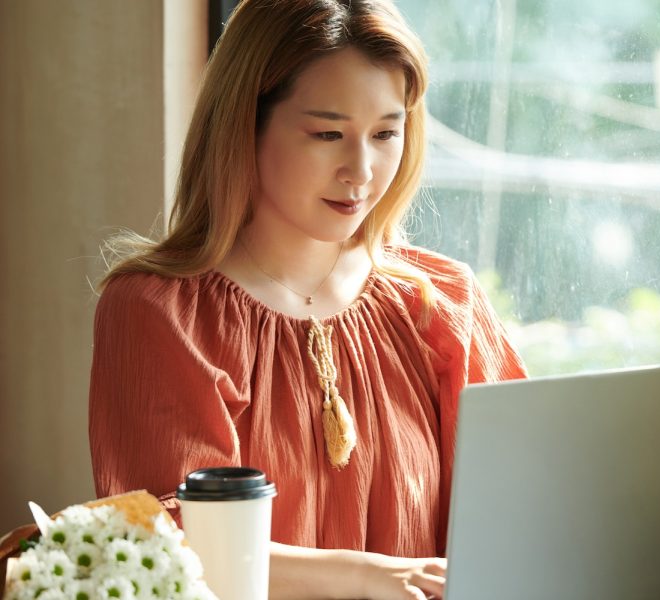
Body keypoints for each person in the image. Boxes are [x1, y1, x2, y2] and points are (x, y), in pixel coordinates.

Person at [89, 0, 527, 598]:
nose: (362, 170)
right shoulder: (163, 311)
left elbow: (523, 509)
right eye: (327, 133)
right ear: (245, 122)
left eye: (386, 133)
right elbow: (168, 546)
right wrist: (371, 577)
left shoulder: (441, 302)